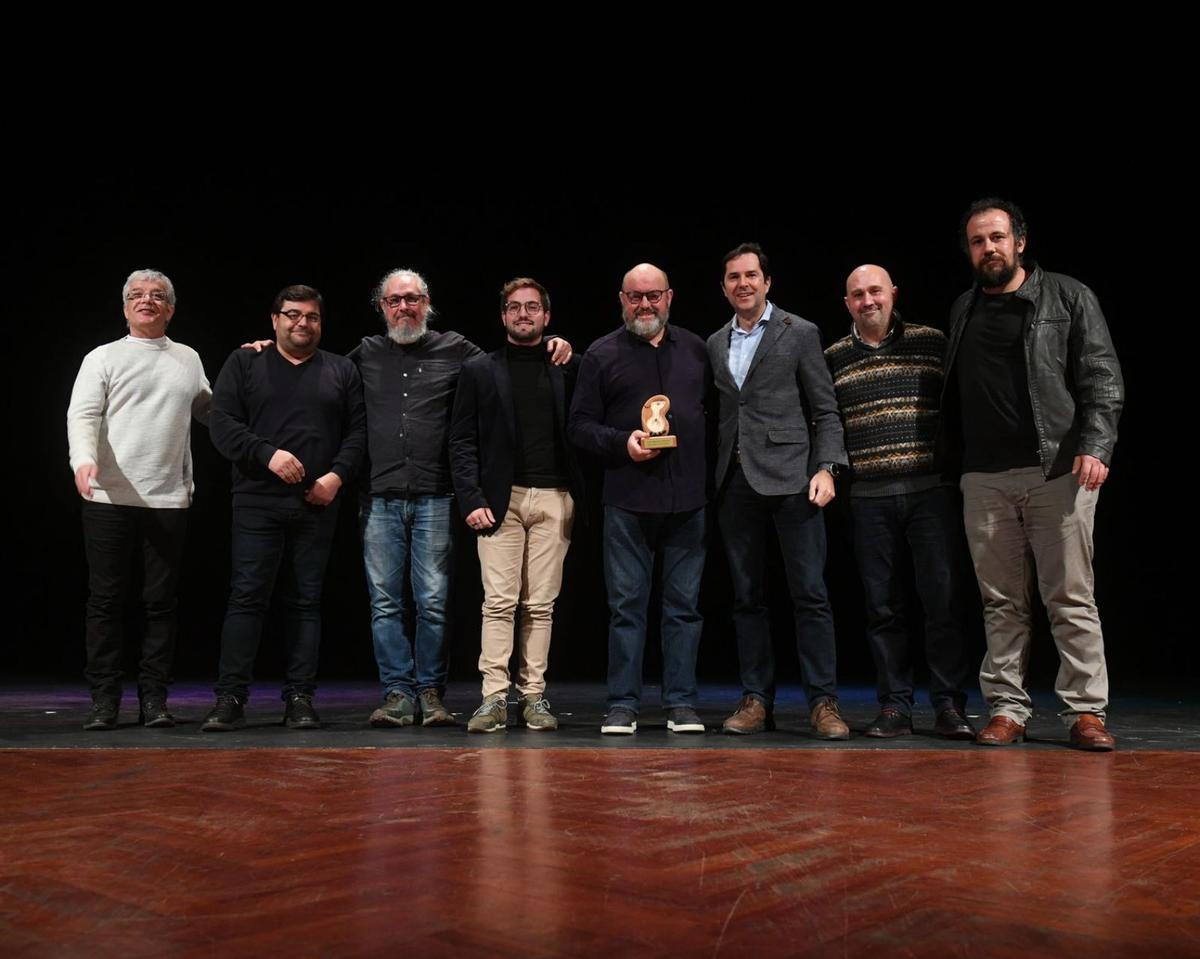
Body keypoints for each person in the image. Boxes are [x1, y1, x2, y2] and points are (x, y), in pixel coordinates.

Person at [351, 269, 572, 728]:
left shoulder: (461, 353)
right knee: (387, 603)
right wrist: (266, 350)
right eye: (394, 301)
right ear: (382, 307)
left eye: (412, 299)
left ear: (427, 302)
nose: (404, 307)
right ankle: (400, 693)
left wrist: (560, 343)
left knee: (435, 601)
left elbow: (513, 355)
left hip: (439, 494)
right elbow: (321, 371)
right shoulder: (365, 355)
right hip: (384, 494)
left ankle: (435, 694)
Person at [945, 198, 1123, 750]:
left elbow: (1101, 377)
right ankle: (1006, 708)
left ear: (1020, 242)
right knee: (1001, 601)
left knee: (1069, 596)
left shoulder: (1068, 296)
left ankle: (1085, 712)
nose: (988, 248)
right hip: (983, 477)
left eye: (997, 237)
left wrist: (1096, 445)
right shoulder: (962, 308)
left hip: (1056, 471)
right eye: (978, 241)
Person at [203, 285, 365, 731]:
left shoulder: (341, 369)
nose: (302, 323)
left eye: (311, 317)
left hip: (317, 504)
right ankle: (231, 698)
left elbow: (358, 433)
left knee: (305, 603)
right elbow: (222, 423)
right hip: (257, 502)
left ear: (321, 323)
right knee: (247, 598)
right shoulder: (245, 362)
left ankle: (299, 698)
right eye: (292, 315)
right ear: (274, 319)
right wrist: (266, 453)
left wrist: (336, 477)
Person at [825, 264, 974, 739]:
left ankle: (949, 706)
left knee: (942, 604)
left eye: (875, 291)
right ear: (847, 303)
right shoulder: (833, 357)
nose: (867, 300)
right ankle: (894, 707)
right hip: (869, 497)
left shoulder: (933, 341)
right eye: (857, 295)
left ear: (893, 293)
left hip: (930, 493)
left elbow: (960, 409)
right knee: (882, 609)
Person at [707, 243, 849, 738]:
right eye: (732, 277)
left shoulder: (800, 332)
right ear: (724, 286)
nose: (742, 284)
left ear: (767, 282)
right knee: (747, 596)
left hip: (794, 479)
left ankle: (823, 702)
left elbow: (825, 409)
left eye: (751, 275)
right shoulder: (714, 341)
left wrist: (827, 466)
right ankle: (755, 700)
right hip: (736, 480)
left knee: (809, 594)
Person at [67, 269, 211, 730]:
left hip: (168, 498)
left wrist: (255, 365)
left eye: (157, 296)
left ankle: (154, 700)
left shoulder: (187, 358)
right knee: (106, 601)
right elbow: (82, 414)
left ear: (171, 308)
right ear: (125, 306)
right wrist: (82, 460)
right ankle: (104, 701)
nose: (146, 301)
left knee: (160, 604)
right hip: (109, 495)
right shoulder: (102, 357)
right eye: (136, 295)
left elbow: (214, 410)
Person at [569, 263, 709, 735]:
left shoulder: (696, 349)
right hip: (627, 499)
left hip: (688, 499)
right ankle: (623, 704)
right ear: (621, 300)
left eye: (653, 296)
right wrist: (621, 442)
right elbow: (580, 427)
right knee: (626, 607)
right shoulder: (601, 354)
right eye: (635, 297)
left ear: (669, 297)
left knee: (683, 608)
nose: (645, 305)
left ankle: (681, 704)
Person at [449, 277, 584, 732]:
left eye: (532, 307)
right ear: (503, 316)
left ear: (546, 315)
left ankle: (534, 698)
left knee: (541, 605)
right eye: (514, 307)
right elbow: (461, 440)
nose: (523, 314)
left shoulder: (568, 366)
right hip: (498, 502)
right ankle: (492, 698)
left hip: (555, 497)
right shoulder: (479, 370)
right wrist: (470, 497)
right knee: (498, 603)